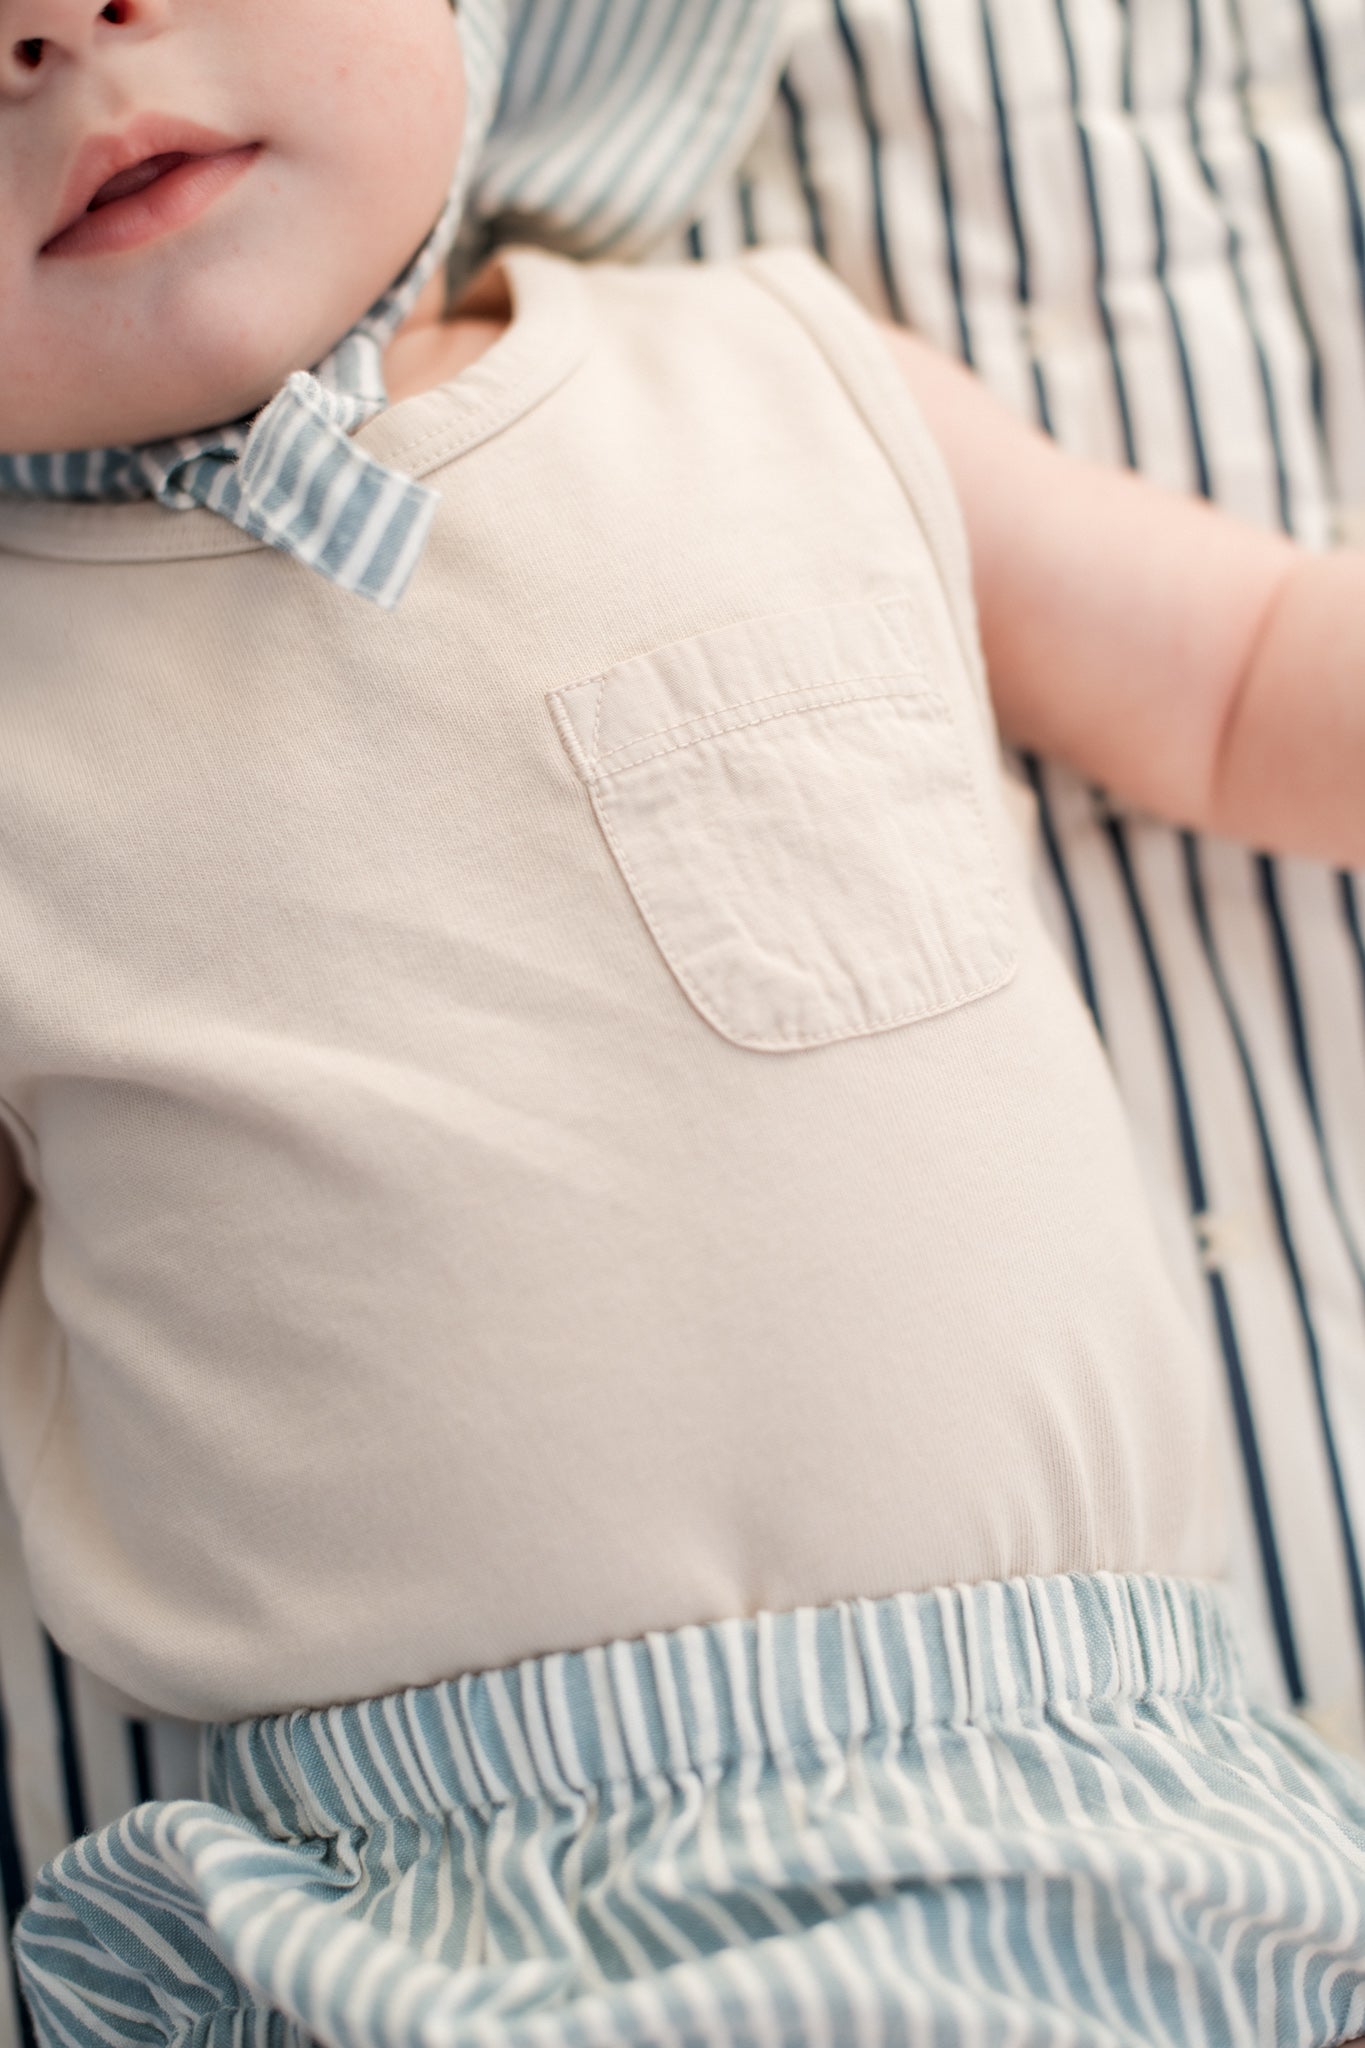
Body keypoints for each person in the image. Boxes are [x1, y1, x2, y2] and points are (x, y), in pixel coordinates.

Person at [3, 0, 1365, 2041]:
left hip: (1106, 1828)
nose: (51, 27)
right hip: (432, 1927)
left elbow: (1241, 674)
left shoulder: (771, 374)